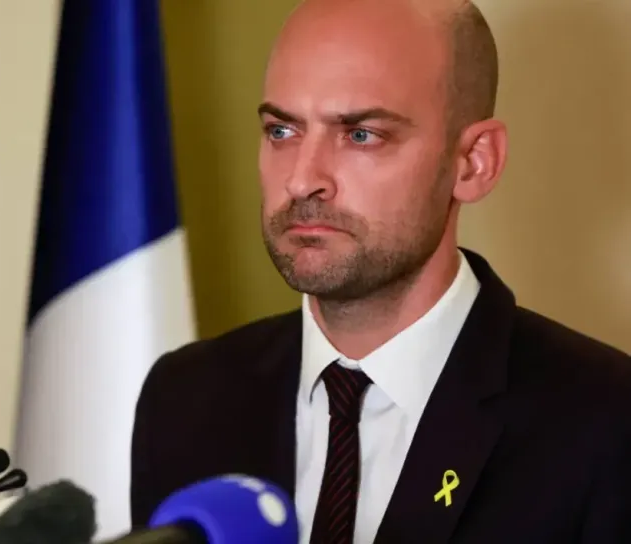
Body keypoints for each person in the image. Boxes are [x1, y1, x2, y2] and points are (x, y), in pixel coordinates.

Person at [128, 0, 631, 542]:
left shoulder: (606, 421)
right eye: (281, 131)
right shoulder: (185, 399)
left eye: (361, 134)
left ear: (474, 162)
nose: (302, 180)